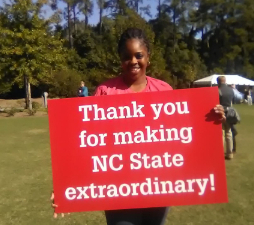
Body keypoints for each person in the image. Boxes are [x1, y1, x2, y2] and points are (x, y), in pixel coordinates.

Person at [51, 28, 226, 225]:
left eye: (138, 55)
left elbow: (183, 136)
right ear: (120, 60)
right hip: (117, 190)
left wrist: (211, 118)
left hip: (159, 187)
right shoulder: (105, 92)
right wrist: (64, 184)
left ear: (148, 58)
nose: (133, 61)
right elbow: (85, 144)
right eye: (127, 56)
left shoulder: (164, 90)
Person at [218, 76, 234, 160]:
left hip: (221, 112)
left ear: (219, 82)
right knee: (229, 133)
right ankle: (229, 153)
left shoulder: (218, 90)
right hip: (230, 112)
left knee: (221, 133)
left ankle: (220, 152)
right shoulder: (231, 90)